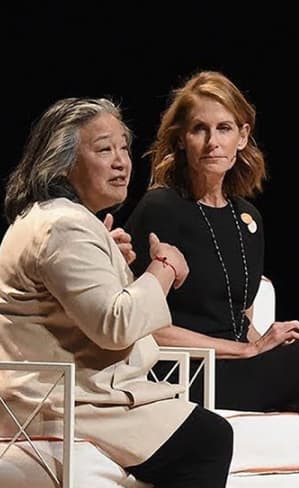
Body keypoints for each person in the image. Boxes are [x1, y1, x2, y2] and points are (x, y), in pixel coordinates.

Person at [124, 70, 299, 488]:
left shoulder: (248, 217)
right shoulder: (160, 209)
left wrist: (266, 338)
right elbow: (149, 328)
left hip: (239, 362)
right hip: (191, 372)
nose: (213, 142)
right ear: (181, 139)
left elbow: (237, 313)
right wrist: (246, 350)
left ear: (243, 136)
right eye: (199, 129)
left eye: (224, 128)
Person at [0, 97, 233, 487]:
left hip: (66, 392)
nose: (122, 161)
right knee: (207, 438)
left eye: (123, 147)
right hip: (65, 402)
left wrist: (108, 258)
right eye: (104, 149)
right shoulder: (63, 225)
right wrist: (164, 268)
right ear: (63, 162)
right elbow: (117, 324)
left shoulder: (53, 218)